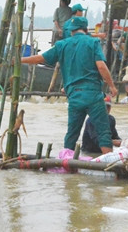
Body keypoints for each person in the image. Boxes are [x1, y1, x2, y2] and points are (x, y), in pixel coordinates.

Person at [22, 16, 118, 151]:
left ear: (71, 30)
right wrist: (112, 86)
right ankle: (109, 164)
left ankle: (67, 165)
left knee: (72, 134)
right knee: (103, 133)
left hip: (74, 96)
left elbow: (40, 58)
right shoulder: (93, 42)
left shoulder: (62, 45)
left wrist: (20, 60)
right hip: (93, 95)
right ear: (85, 29)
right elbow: (101, 66)